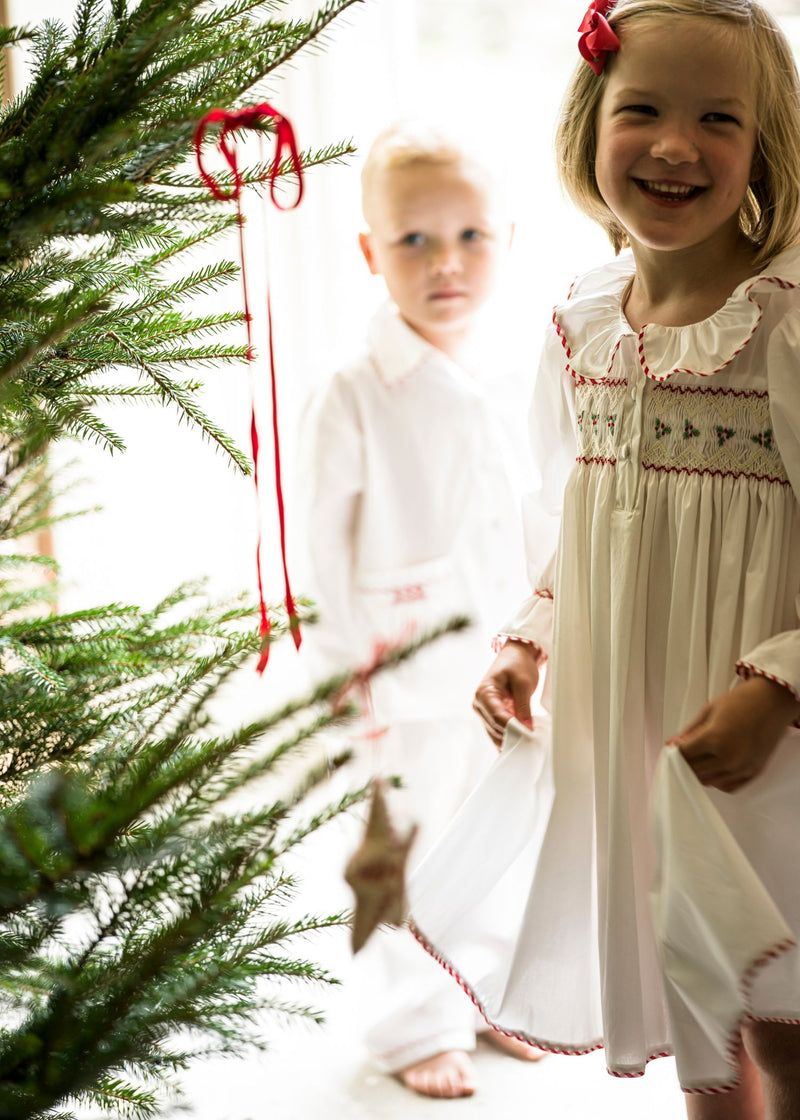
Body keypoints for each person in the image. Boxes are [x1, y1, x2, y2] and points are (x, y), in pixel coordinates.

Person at [409, 2, 800, 1117]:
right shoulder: (578, 324)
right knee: (700, 1013)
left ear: (760, 148)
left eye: (716, 119)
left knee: (786, 1015)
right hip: (640, 725)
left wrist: (777, 683)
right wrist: (530, 643)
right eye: (643, 111)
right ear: (590, 125)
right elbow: (570, 518)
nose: (675, 144)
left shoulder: (778, 324)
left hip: (761, 730)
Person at [297, 122, 539, 1098]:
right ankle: (411, 1024)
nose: (445, 262)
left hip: (500, 666)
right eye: (413, 240)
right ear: (370, 253)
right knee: (397, 846)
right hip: (393, 676)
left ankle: (483, 993)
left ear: (507, 240)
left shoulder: (515, 371)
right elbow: (318, 553)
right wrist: (342, 678)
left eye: (470, 236)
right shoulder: (352, 395)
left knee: (496, 833)